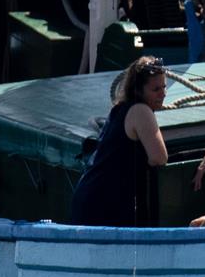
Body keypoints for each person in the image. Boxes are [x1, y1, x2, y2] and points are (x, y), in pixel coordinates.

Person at [68, 55, 170, 226]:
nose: (163, 94)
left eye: (164, 87)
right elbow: (159, 157)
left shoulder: (119, 109)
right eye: (156, 89)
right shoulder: (141, 111)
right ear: (138, 90)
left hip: (89, 198)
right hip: (103, 205)